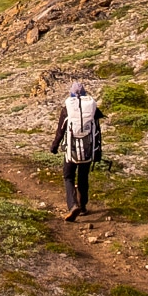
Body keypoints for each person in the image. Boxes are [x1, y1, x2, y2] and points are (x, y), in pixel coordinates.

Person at [49, 80, 104, 221]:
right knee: (83, 177)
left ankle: (73, 205)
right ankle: (83, 206)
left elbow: (60, 131)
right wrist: (98, 152)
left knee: (68, 176)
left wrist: (54, 146)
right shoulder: (92, 109)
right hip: (88, 150)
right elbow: (97, 131)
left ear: (71, 93)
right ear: (85, 93)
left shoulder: (67, 108)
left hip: (71, 151)